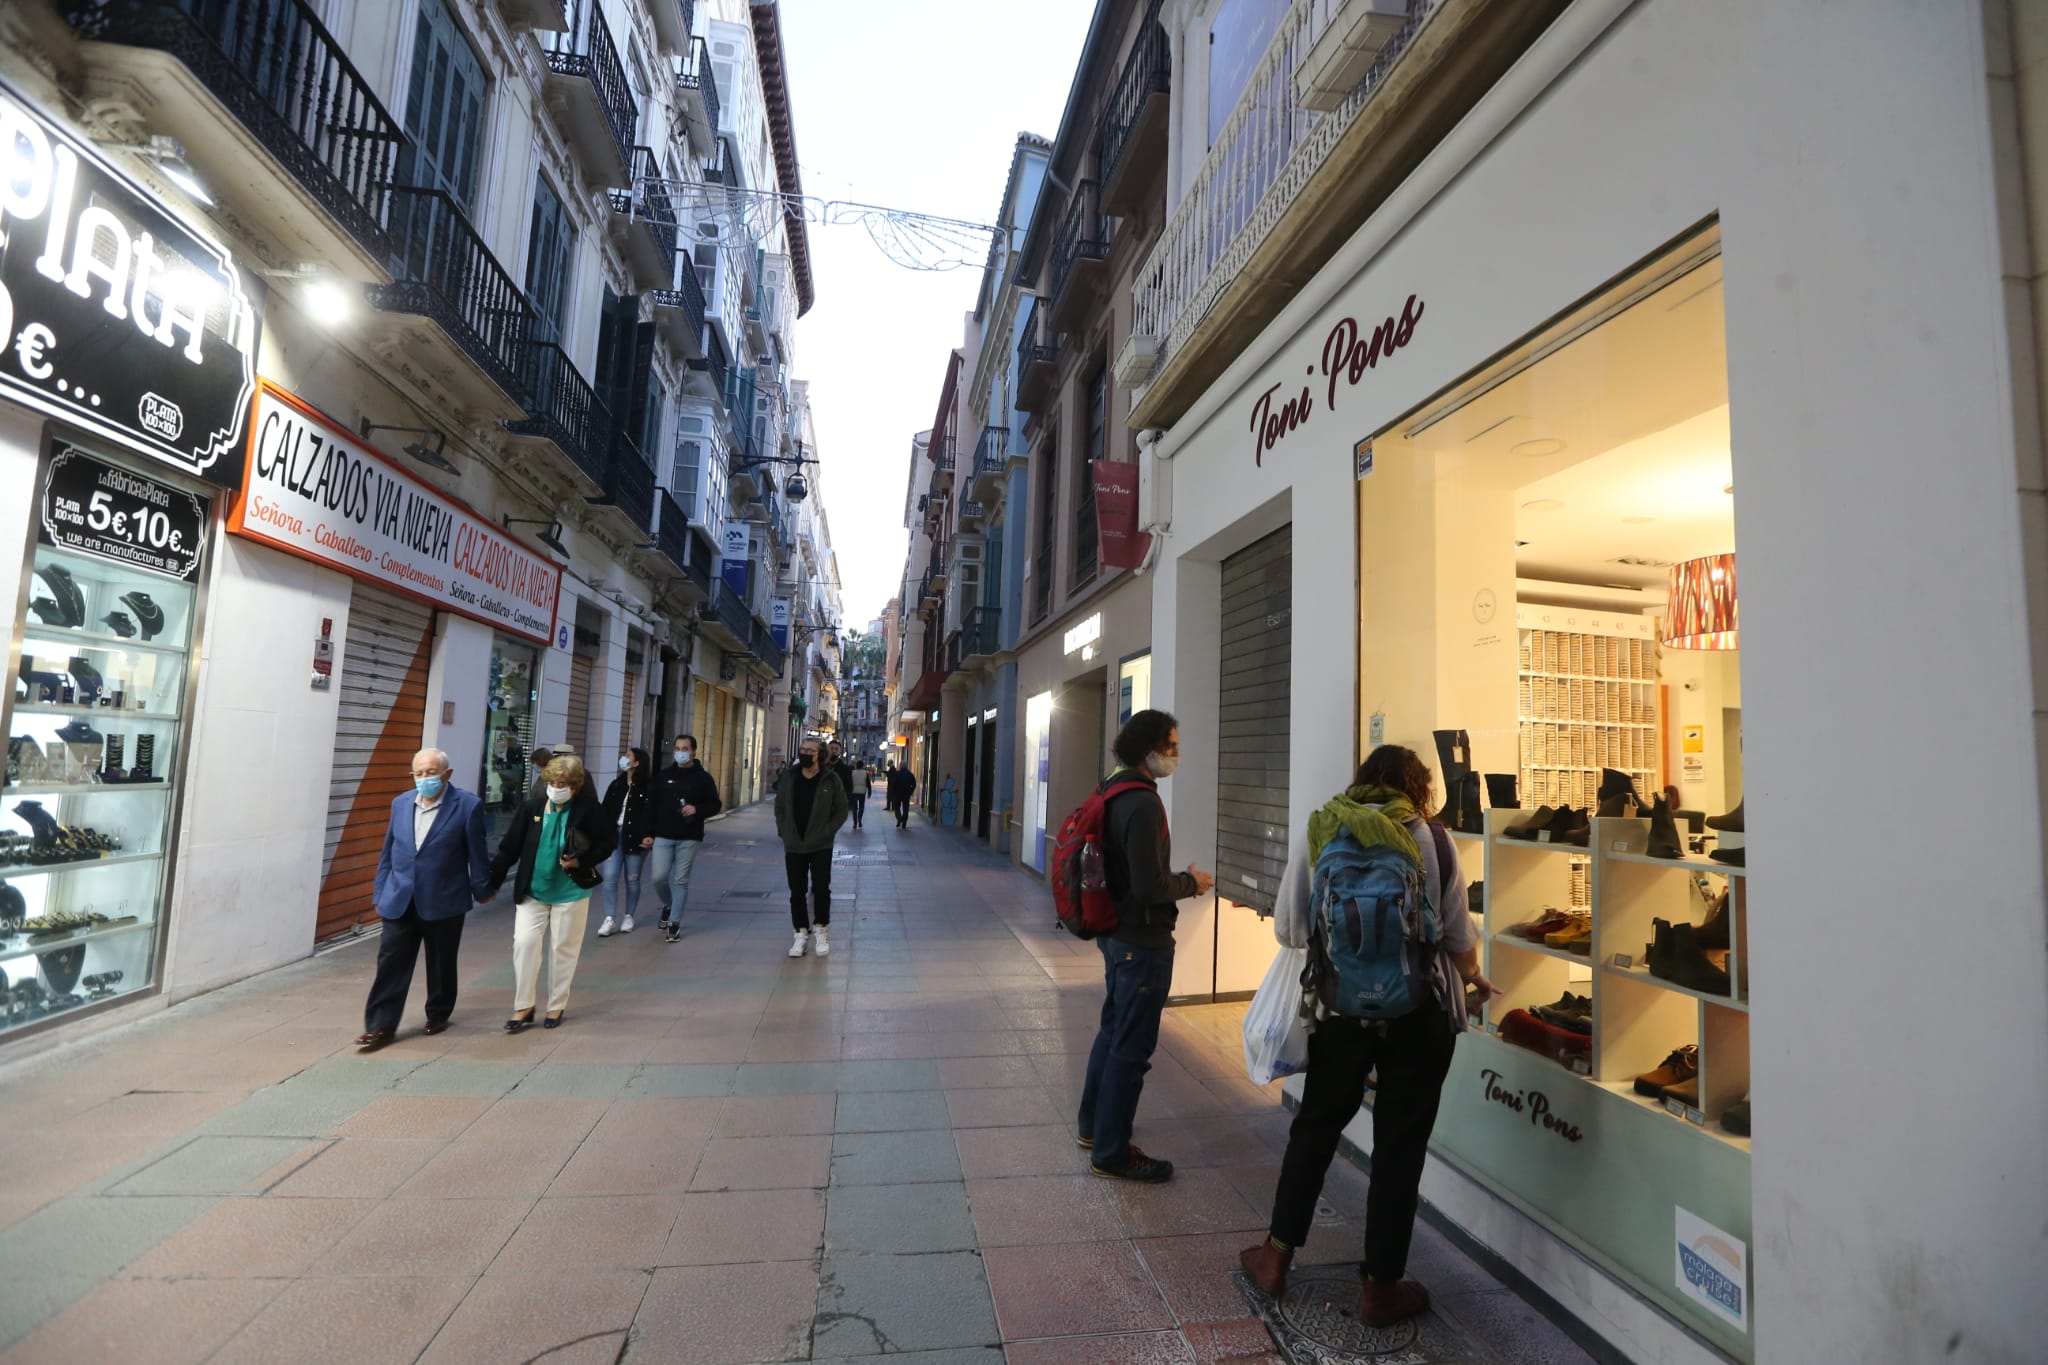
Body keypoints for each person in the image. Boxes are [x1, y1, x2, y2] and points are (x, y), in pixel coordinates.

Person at [1238, 744, 1497, 1327]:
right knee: (1399, 1149)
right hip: (1419, 1015)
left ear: (1363, 781)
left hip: (1340, 1016)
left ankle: (1275, 1258)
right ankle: (1381, 1288)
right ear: (1417, 788)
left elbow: (1287, 928)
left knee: (1316, 1131)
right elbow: (1456, 938)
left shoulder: (1324, 828)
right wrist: (1476, 980)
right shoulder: (1435, 839)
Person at [1078, 710, 1214, 1182]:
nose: (1177, 754)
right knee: (1131, 1050)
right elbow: (1149, 886)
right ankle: (1112, 1152)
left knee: (1112, 1032)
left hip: (1116, 936)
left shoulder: (1111, 789)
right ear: (1149, 749)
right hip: (1142, 940)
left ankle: (1093, 1128)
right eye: (1171, 745)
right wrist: (1191, 883)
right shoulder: (1143, 804)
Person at [355, 748, 493, 1050]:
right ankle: (380, 1026)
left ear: (447, 774)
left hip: (444, 899)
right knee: (391, 962)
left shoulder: (467, 806)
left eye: (431, 772)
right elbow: (388, 853)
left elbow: (477, 856)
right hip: (400, 898)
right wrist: (380, 892)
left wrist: (482, 890)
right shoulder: (401, 804)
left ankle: (439, 1012)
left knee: (441, 962)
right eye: (419, 773)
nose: (425, 779)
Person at [487, 753, 615, 1030]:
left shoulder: (589, 809)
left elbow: (607, 843)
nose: (557, 787)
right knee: (524, 944)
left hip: (570, 890)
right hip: (534, 889)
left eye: (563, 783)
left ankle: (556, 1005)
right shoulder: (531, 807)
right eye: (553, 782)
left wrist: (582, 860)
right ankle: (523, 1007)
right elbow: (509, 848)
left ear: (576, 785)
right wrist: (492, 883)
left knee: (563, 949)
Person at [775, 737, 849, 958]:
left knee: (821, 888)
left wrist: (828, 832)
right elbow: (779, 806)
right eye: (802, 749)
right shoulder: (789, 776)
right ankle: (800, 934)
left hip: (820, 844)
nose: (805, 753)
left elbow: (842, 809)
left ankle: (821, 930)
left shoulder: (830, 779)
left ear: (820, 755)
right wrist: (783, 830)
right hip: (794, 843)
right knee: (796, 891)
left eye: (810, 750)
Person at [650, 733, 723, 942]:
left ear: (693, 752)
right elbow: (652, 805)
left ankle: (674, 923)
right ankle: (668, 904)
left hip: (689, 837)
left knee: (680, 880)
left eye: (685, 749)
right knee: (659, 878)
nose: (680, 752)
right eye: (678, 748)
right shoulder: (663, 776)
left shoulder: (703, 778)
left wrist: (697, 809)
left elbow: (715, 804)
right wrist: (647, 832)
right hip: (663, 834)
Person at [595, 746, 654, 937]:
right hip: (614, 836)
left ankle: (629, 915)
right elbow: (604, 810)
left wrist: (649, 834)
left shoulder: (648, 787)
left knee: (632, 878)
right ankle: (610, 917)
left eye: (628, 756)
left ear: (636, 763)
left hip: (636, 838)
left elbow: (653, 813)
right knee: (610, 876)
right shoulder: (616, 784)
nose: (624, 758)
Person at [889, 762, 918, 829]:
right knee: (905, 808)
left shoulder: (897, 774)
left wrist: (893, 792)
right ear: (906, 766)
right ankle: (904, 823)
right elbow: (914, 784)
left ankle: (899, 819)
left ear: (901, 766)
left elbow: (893, 784)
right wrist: (911, 791)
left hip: (897, 794)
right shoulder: (910, 774)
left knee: (897, 807)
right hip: (906, 794)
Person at [848, 756, 871, 830]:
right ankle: (859, 818)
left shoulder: (853, 772)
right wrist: (869, 791)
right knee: (861, 807)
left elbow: (850, 782)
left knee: (854, 808)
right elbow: (868, 783)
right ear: (862, 766)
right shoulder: (865, 773)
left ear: (856, 765)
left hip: (854, 791)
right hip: (862, 791)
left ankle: (855, 823)